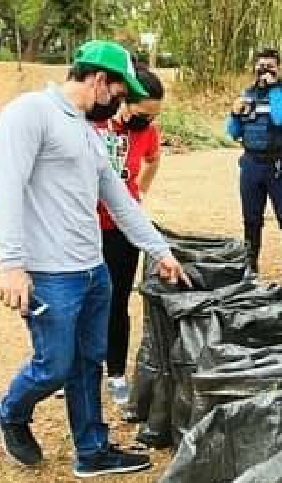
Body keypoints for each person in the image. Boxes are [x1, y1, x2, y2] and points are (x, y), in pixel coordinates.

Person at [0, 40, 187, 478]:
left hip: (91, 268)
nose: (121, 103)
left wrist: (160, 251)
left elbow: (120, 201)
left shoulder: (85, 130)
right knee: (54, 366)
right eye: (119, 92)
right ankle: (10, 413)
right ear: (99, 80)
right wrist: (11, 265)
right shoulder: (30, 113)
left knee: (87, 362)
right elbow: (6, 188)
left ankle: (92, 451)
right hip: (49, 271)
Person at [92, 65, 165, 408]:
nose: (146, 122)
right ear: (124, 99)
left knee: (117, 300)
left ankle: (116, 373)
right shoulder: (92, 124)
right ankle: (80, 369)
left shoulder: (148, 132)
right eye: (141, 113)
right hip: (86, 228)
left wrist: (138, 192)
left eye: (152, 117)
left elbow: (153, 159)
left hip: (122, 230)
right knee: (82, 301)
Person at [227, 48, 282, 283]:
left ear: (279, 68)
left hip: (281, 165)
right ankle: (251, 265)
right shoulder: (248, 94)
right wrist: (234, 113)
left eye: (270, 66)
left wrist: (274, 88)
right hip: (252, 164)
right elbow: (233, 132)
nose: (264, 71)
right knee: (251, 218)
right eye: (260, 66)